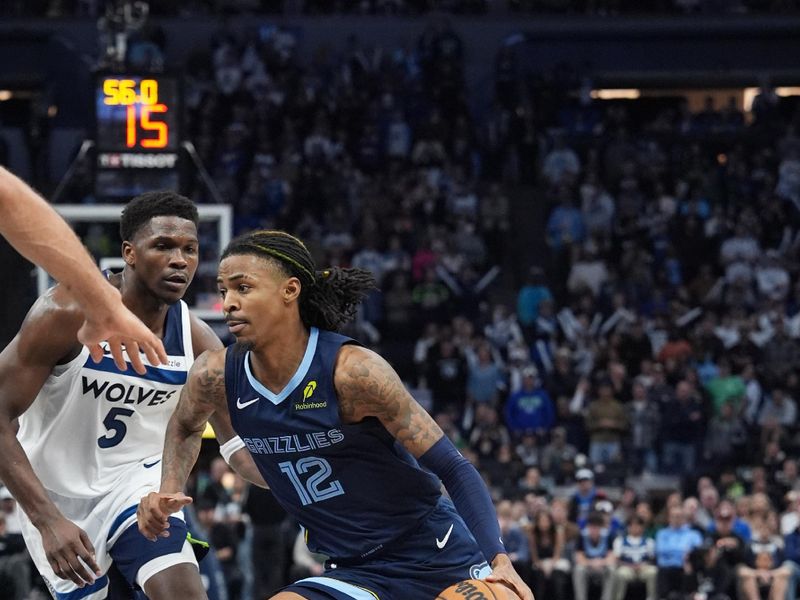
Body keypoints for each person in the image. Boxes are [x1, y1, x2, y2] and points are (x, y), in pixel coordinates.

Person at [137, 229, 534, 600]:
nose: (228, 303)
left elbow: (452, 466)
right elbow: (186, 424)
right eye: (223, 290)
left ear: (290, 291)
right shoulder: (214, 374)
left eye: (243, 288)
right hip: (350, 570)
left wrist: (500, 561)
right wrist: (168, 486)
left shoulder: (353, 372)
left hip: (435, 553)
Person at [0, 192, 249, 600]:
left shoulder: (198, 341)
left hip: (139, 487)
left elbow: (237, 446)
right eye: (163, 246)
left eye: (190, 249)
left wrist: (304, 490)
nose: (180, 260)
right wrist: (47, 520)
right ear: (129, 253)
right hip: (57, 498)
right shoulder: (65, 314)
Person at [0, 165, 166, 374]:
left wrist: (101, 303)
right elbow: (7, 195)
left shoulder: (191, 328)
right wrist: (102, 302)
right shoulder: (58, 312)